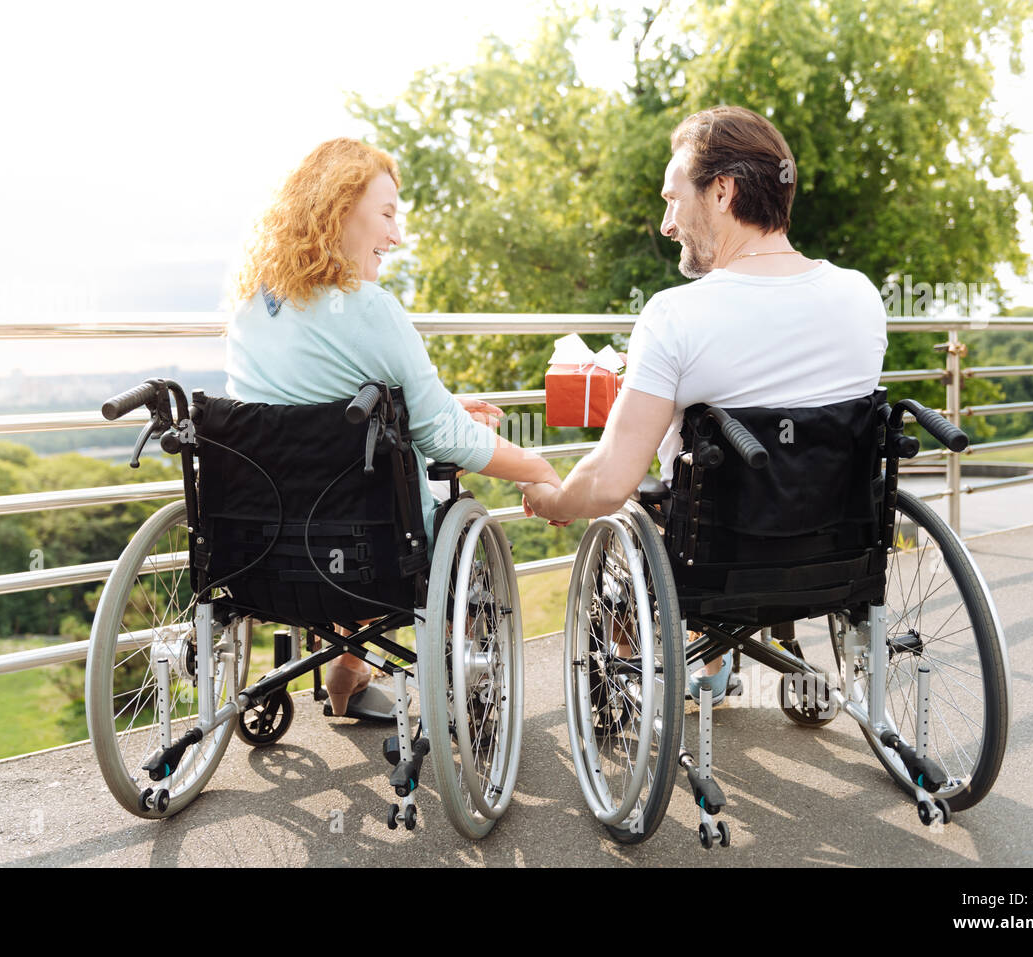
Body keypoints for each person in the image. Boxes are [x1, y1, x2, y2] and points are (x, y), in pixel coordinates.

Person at [520, 105, 887, 703]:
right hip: (839, 553)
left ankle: (655, 671)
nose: (667, 223)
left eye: (673, 199)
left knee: (652, 502)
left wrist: (555, 497)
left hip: (715, 560)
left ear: (722, 192)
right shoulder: (862, 296)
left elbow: (612, 480)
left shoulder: (677, 315)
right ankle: (726, 661)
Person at [225, 138, 563, 719]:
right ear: (339, 210)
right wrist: (537, 469)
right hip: (361, 548)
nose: (395, 236)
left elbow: (309, 404)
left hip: (258, 544)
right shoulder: (371, 309)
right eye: (386, 215)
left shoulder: (251, 306)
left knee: (349, 505)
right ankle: (386, 674)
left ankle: (347, 673)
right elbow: (445, 439)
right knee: (415, 511)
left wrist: (443, 408)